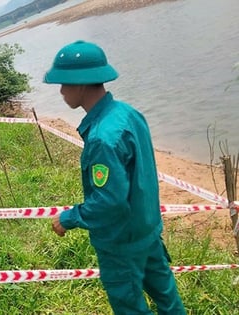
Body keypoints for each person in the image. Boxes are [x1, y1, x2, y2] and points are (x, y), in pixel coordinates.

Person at [45, 40, 186, 315]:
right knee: (168, 300)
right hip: (147, 229)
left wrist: (68, 218)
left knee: (129, 306)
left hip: (122, 243)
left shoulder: (101, 137)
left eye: (64, 83)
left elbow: (109, 202)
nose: (61, 91)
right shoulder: (128, 113)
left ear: (82, 83)